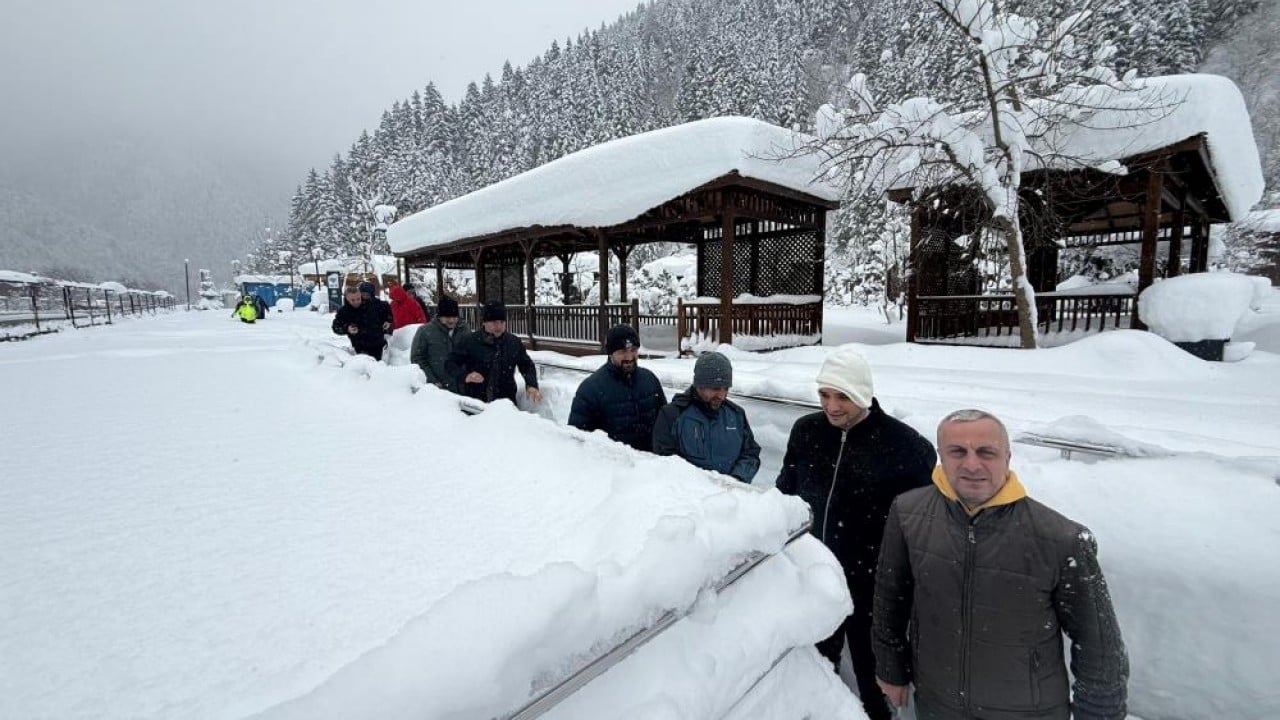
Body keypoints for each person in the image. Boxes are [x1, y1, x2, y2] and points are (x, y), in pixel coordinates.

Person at [873, 409, 1128, 720]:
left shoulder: (1060, 538)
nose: (971, 464)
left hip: (1028, 711)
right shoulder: (907, 513)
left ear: (1007, 457)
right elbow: (890, 598)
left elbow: (1098, 641)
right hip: (937, 704)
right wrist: (891, 668)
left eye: (986, 452)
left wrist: (1100, 713)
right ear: (941, 455)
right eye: (957, 451)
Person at [775, 346, 936, 720]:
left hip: (873, 585)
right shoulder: (807, 431)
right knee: (814, 669)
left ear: (863, 393)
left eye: (843, 396)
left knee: (874, 679)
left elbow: (921, 526)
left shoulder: (906, 447)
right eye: (824, 394)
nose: (831, 406)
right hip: (816, 578)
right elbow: (786, 495)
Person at [652, 351, 759, 483]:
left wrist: (737, 479)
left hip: (732, 495)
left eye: (725, 388)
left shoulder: (736, 415)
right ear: (699, 385)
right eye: (715, 388)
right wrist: (702, 485)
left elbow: (750, 453)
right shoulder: (673, 415)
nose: (721, 395)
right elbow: (665, 460)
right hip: (691, 496)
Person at [568, 324, 667, 451]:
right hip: (614, 466)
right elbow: (577, 440)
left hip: (652, 464)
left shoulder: (649, 379)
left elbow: (664, 423)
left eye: (633, 350)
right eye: (622, 351)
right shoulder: (591, 389)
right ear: (610, 353)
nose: (629, 357)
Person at [450, 299, 542, 405]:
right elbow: (450, 363)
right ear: (484, 322)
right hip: (476, 404)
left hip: (505, 404)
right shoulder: (470, 341)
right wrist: (465, 376)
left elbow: (526, 365)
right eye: (494, 322)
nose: (498, 326)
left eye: (502, 322)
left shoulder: (513, 342)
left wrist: (531, 385)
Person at [410, 296, 468, 393]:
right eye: (447, 317)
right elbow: (417, 358)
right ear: (439, 316)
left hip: (462, 386)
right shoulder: (425, 331)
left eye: (454, 317)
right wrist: (433, 381)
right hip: (437, 389)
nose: (451, 321)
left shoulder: (464, 330)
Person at [332, 286, 388, 360]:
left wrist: (388, 320)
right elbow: (336, 327)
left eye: (358, 299)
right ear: (347, 299)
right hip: (360, 347)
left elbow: (386, 308)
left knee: (377, 366)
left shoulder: (371, 304)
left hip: (378, 344)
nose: (356, 302)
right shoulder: (343, 312)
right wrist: (347, 328)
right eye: (352, 300)